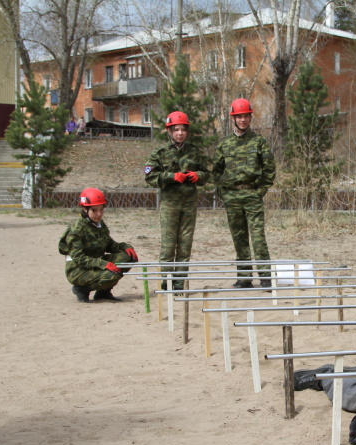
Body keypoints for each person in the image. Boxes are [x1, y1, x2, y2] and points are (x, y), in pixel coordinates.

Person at [211, 98, 276, 289]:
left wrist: (260, 191)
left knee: (258, 237)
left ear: (250, 117)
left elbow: (269, 169)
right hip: (232, 197)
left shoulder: (258, 142)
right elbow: (216, 171)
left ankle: (265, 277)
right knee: (239, 237)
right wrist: (223, 193)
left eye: (245, 116)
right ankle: (244, 277)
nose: (242, 120)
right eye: (239, 116)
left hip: (252, 195)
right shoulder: (225, 144)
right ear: (234, 118)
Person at [144, 111, 208, 291]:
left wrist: (198, 176)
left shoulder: (194, 151)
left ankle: (179, 284)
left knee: (185, 245)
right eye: (176, 130)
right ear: (169, 131)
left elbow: (206, 173)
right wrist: (172, 177)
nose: (180, 133)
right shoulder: (160, 153)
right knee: (168, 245)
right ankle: (166, 283)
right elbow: (149, 176)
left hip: (189, 204)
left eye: (183, 130)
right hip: (170, 204)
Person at [59, 188, 139, 303]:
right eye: (94, 210)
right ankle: (81, 289)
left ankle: (103, 292)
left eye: (101, 209)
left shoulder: (99, 225)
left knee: (127, 257)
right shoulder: (77, 230)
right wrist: (104, 264)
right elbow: (79, 258)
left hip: (94, 264)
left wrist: (126, 247)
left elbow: (110, 245)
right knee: (111, 275)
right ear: (84, 209)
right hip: (78, 269)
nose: (99, 214)